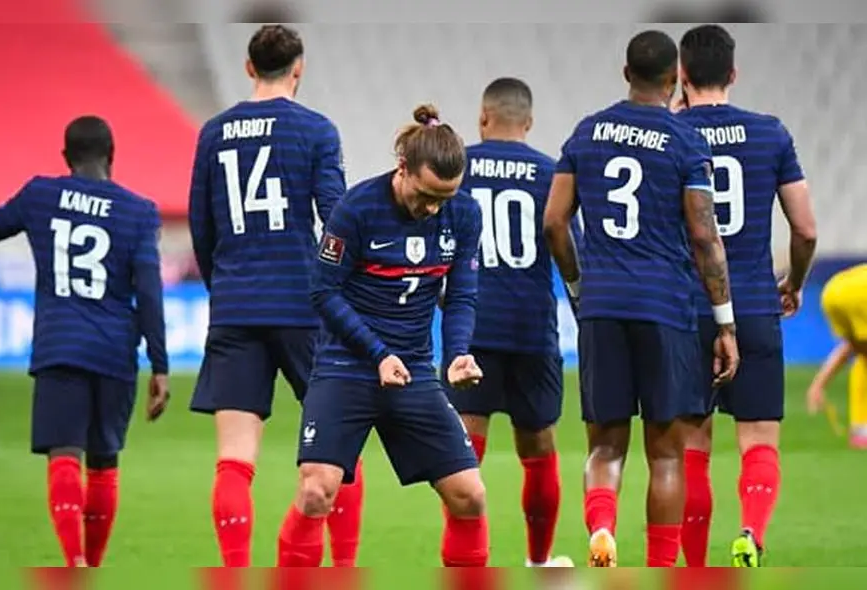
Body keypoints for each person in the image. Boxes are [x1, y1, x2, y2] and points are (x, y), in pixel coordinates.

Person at [543, 30, 739, 568]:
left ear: (625, 73)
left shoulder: (586, 134)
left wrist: (580, 288)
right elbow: (704, 237)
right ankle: (659, 568)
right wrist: (724, 324)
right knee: (667, 454)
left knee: (604, 447)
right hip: (665, 309)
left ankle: (602, 527)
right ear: (674, 78)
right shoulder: (683, 141)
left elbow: (555, 222)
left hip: (602, 307)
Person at [276, 104, 488, 568]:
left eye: (444, 198)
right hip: (345, 367)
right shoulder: (357, 208)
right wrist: (375, 353)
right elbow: (323, 291)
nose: (433, 208)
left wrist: (456, 354)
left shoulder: (465, 214)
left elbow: (462, 295)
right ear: (403, 169)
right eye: (427, 195)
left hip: (413, 371)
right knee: (317, 490)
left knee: (470, 495)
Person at [187, 24, 362, 567]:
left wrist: (227, 285)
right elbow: (336, 217)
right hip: (301, 304)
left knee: (234, 460)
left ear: (248, 68)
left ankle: (235, 574)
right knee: (337, 448)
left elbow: (201, 225)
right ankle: (343, 570)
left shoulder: (215, 132)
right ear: (298, 68)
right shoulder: (315, 131)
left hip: (237, 303)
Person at [0, 115, 170, 567]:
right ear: (112, 156)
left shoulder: (40, 194)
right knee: (104, 460)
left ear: (66, 158)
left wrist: (30, 215)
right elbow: (149, 291)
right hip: (115, 349)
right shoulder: (138, 211)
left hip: (60, 344)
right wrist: (159, 365)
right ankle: (94, 566)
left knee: (65, 452)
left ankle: (74, 562)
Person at [674, 24, 818, 568]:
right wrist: (795, 284)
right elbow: (805, 230)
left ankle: (693, 569)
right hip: (755, 303)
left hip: (687, 310)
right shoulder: (770, 134)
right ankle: (751, 534)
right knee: (759, 441)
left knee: (691, 449)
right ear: (733, 74)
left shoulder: (670, 134)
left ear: (682, 75)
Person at [446, 77, 577, 568]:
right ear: (529, 122)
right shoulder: (550, 173)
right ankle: (540, 563)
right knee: (539, 449)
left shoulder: (456, 167)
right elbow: (566, 245)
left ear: (483, 118)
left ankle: (467, 568)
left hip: (470, 329)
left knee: (462, 457)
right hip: (531, 328)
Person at [808, 264, 867, 447]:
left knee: (862, 353)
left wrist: (819, 384)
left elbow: (850, 347)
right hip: (861, 294)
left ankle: (861, 429)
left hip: (834, 290)